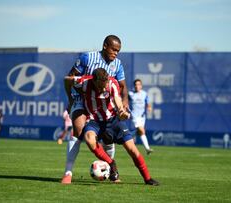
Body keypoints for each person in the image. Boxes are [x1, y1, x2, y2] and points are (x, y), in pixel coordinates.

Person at [65, 68, 159, 186]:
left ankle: (148, 178)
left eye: (104, 85)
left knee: (132, 150)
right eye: (100, 86)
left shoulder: (111, 83)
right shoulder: (84, 82)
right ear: (93, 81)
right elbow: (67, 80)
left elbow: (118, 101)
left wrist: (121, 111)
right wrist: (70, 98)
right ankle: (111, 163)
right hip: (94, 122)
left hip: (113, 121)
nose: (103, 89)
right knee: (89, 138)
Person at [61, 35, 129, 184]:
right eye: (113, 49)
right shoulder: (87, 57)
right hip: (82, 98)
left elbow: (123, 86)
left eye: (118, 51)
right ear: (105, 46)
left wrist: (124, 103)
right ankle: (68, 173)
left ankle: (112, 172)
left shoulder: (117, 64)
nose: (116, 53)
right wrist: (71, 98)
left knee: (108, 137)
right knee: (78, 130)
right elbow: (70, 78)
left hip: (103, 103)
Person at [129, 79, 154, 155]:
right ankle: (147, 148)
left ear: (141, 86)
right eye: (136, 84)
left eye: (139, 84)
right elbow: (125, 101)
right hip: (134, 116)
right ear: (134, 86)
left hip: (142, 117)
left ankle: (128, 136)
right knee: (142, 130)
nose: (137, 86)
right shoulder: (130, 94)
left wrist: (149, 107)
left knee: (139, 132)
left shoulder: (144, 94)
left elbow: (148, 102)